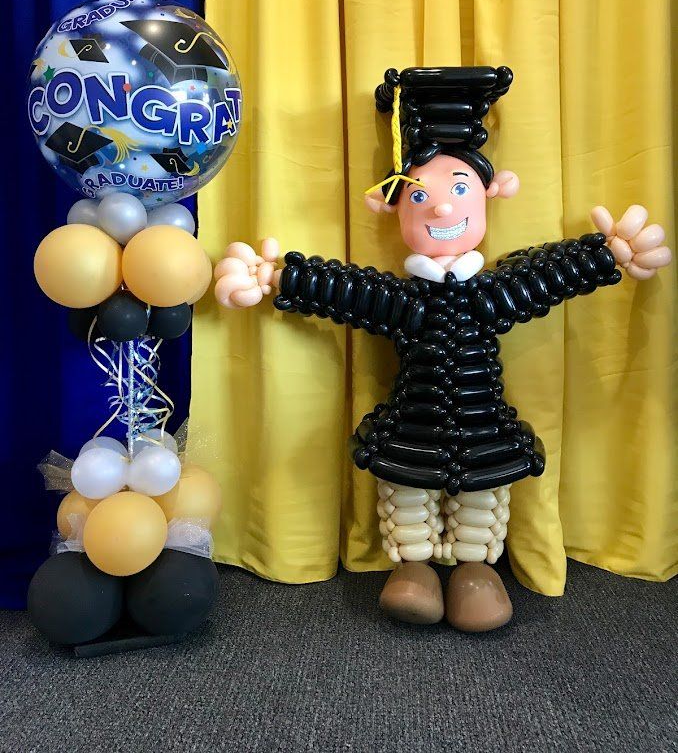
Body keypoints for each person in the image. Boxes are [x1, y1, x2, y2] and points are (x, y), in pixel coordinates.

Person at [214, 66, 671, 631]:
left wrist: (610, 254)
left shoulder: (495, 290)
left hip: (483, 426)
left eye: (459, 189)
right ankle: (414, 570)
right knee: (405, 491)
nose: (441, 209)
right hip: (412, 421)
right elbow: (350, 291)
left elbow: (548, 274)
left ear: (491, 192)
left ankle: (477, 572)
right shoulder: (406, 300)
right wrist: (276, 277)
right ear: (391, 207)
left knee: (484, 497)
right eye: (421, 194)